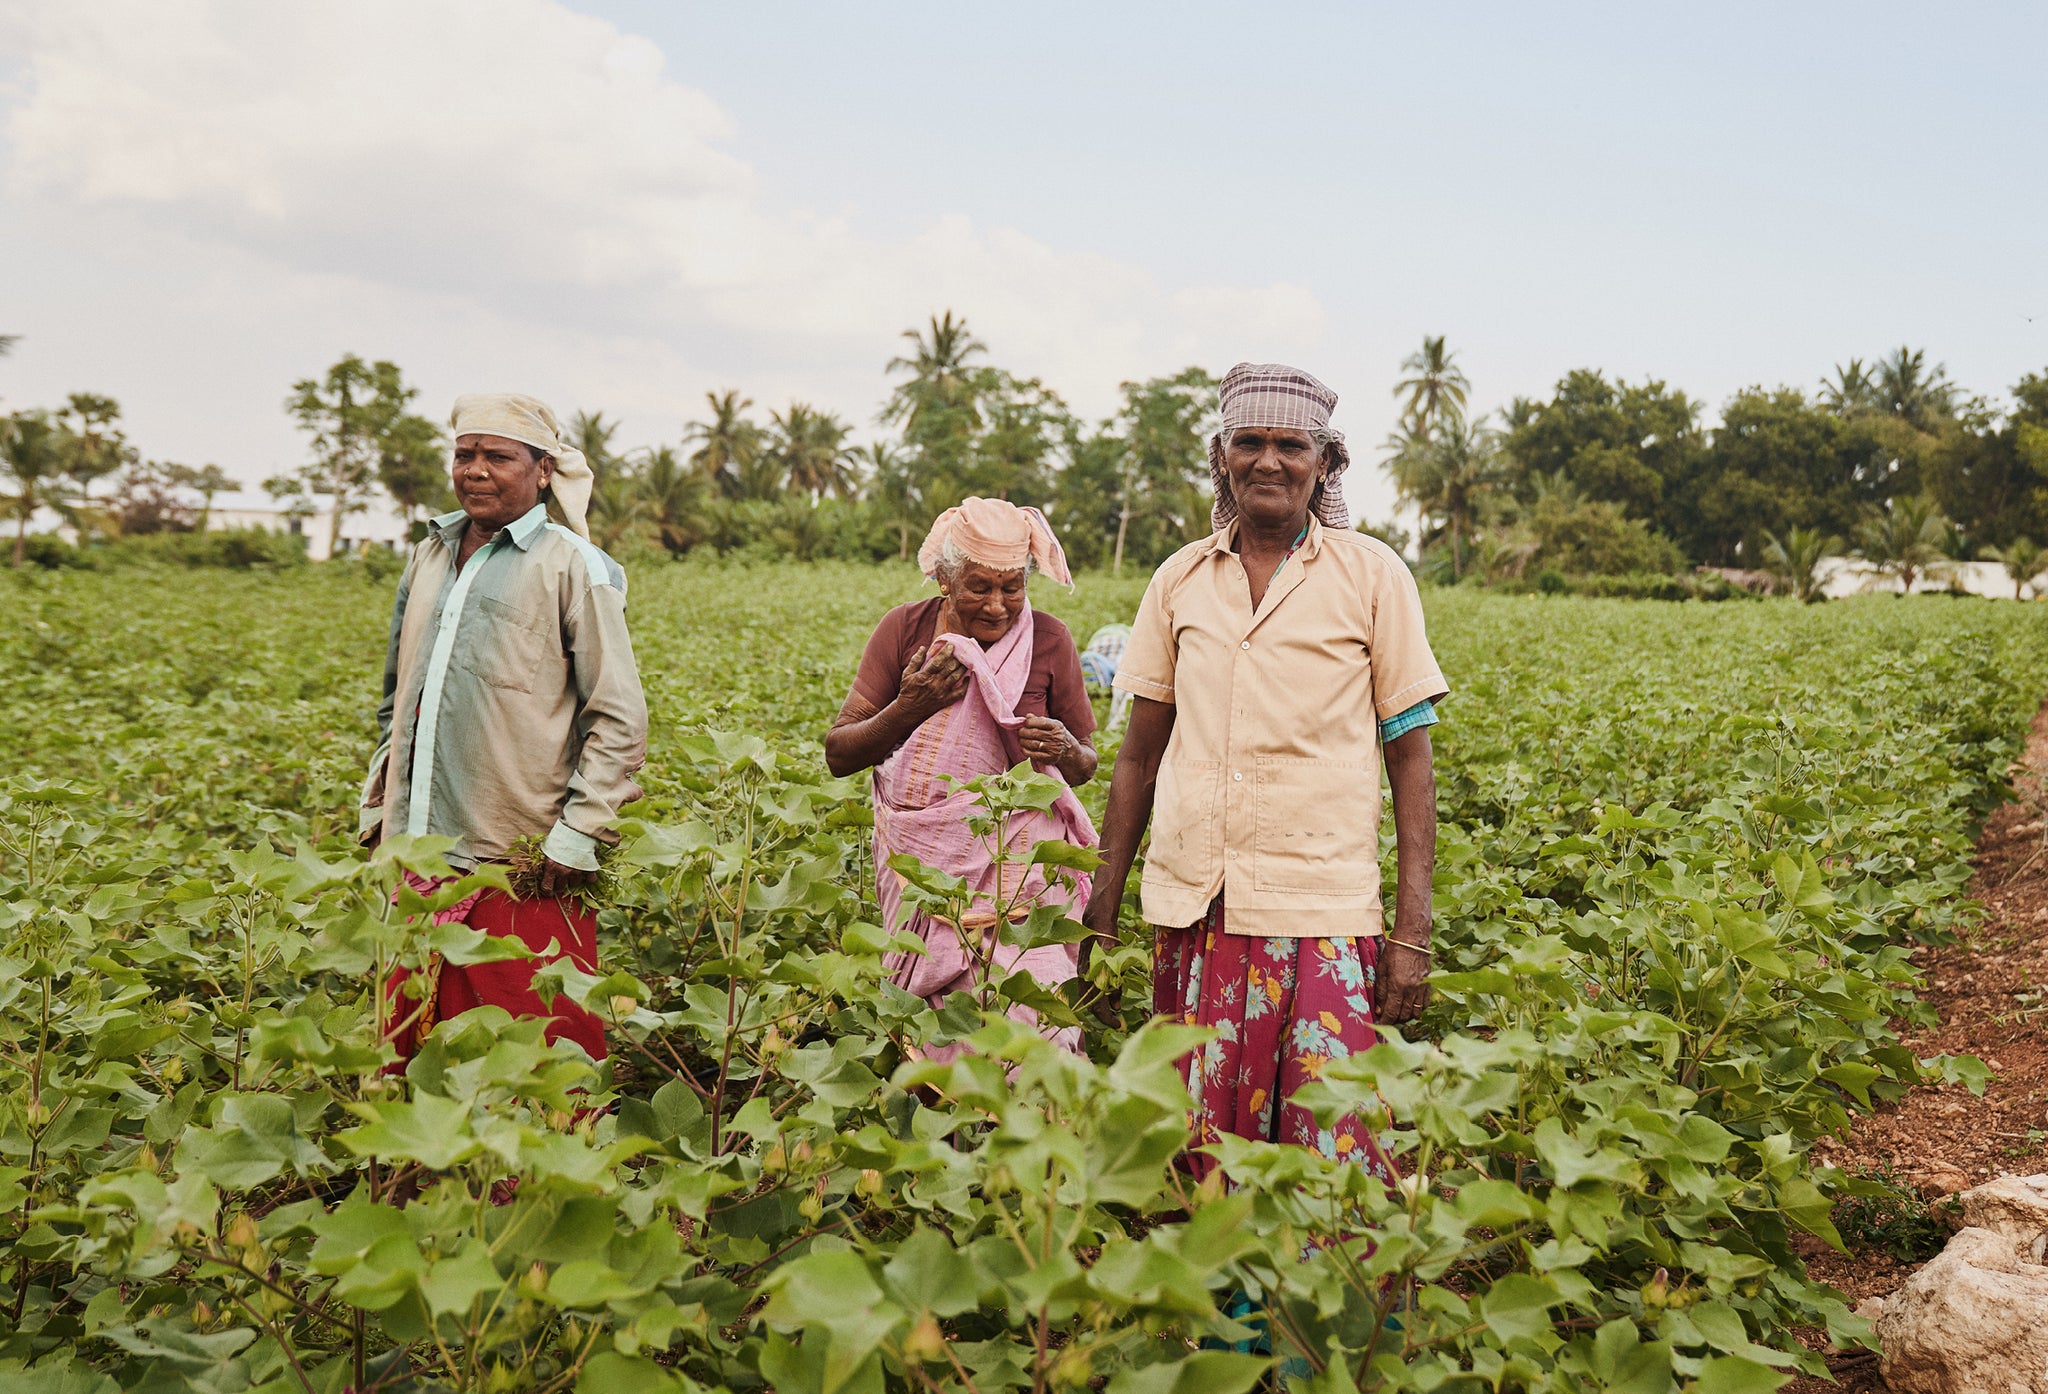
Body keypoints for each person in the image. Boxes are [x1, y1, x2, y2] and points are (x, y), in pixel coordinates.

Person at [1081, 363, 1447, 1181]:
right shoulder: (1179, 579)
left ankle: (1316, 1310)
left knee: (1331, 1151)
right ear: (1221, 456)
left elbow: (1410, 760)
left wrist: (1411, 933)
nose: (1269, 462)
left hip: (1320, 909)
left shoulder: (1373, 575)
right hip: (1197, 909)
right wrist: (1099, 914)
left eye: (1291, 445)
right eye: (1250, 443)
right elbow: (1138, 757)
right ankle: (1217, 1306)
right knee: (1200, 1150)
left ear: (1326, 463)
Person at [361, 393, 648, 1067]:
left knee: (531, 1054)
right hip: (418, 851)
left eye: (498, 457)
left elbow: (619, 716)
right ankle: (422, 1179)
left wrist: (576, 837)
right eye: (465, 455)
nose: (477, 471)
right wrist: (380, 798)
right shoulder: (428, 557)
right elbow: (395, 697)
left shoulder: (573, 566)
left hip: (521, 859)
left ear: (542, 470)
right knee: (411, 1054)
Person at [825, 497, 1098, 1058]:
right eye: (979, 587)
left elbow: (1086, 763)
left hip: (1022, 874)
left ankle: (1033, 1132)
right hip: (924, 873)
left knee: (1037, 1018)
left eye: (1012, 587)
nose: (998, 606)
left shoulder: (1049, 640)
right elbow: (840, 753)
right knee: (933, 1026)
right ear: (945, 579)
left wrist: (1064, 748)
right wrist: (910, 706)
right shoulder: (904, 629)